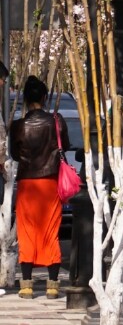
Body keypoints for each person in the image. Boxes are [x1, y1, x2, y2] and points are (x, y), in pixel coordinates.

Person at [9, 75, 70, 300]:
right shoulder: (56, 121)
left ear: (25, 99)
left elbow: (15, 154)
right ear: (45, 97)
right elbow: (65, 146)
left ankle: (26, 286)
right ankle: (52, 286)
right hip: (50, 182)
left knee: (27, 232)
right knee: (51, 230)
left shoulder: (18, 126)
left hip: (27, 184)